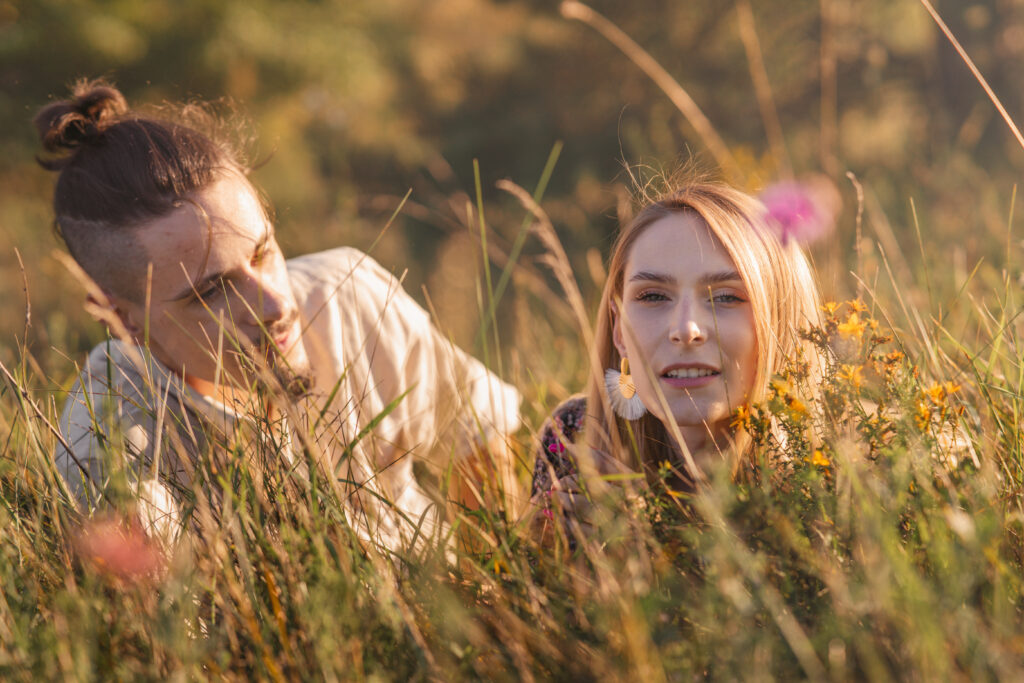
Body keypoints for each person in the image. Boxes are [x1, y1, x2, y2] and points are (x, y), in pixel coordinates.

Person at [38, 79, 520, 551]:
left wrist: (488, 595)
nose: (274, 305)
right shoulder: (107, 446)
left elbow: (477, 438)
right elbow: (164, 620)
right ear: (121, 318)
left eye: (264, 252)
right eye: (213, 290)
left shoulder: (348, 294)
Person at [531, 179, 821, 531]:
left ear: (782, 318)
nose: (685, 329)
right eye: (653, 296)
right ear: (619, 329)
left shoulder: (846, 462)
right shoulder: (576, 436)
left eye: (726, 297)